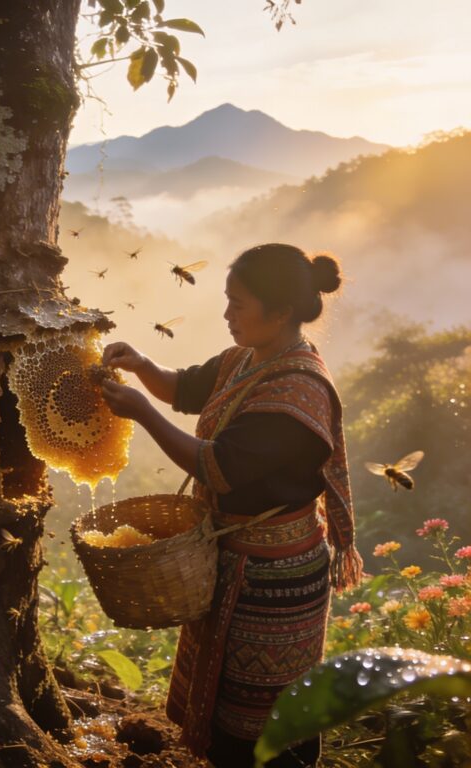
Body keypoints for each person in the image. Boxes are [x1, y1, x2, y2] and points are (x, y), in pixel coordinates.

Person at [100, 244, 362, 767]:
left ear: (281, 311)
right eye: (227, 301)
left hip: (276, 578)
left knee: (261, 722)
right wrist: (142, 365)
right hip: (234, 558)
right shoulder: (248, 360)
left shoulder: (295, 393)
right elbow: (186, 387)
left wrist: (143, 415)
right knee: (222, 708)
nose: (226, 315)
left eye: (238, 305)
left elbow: (218, 467)